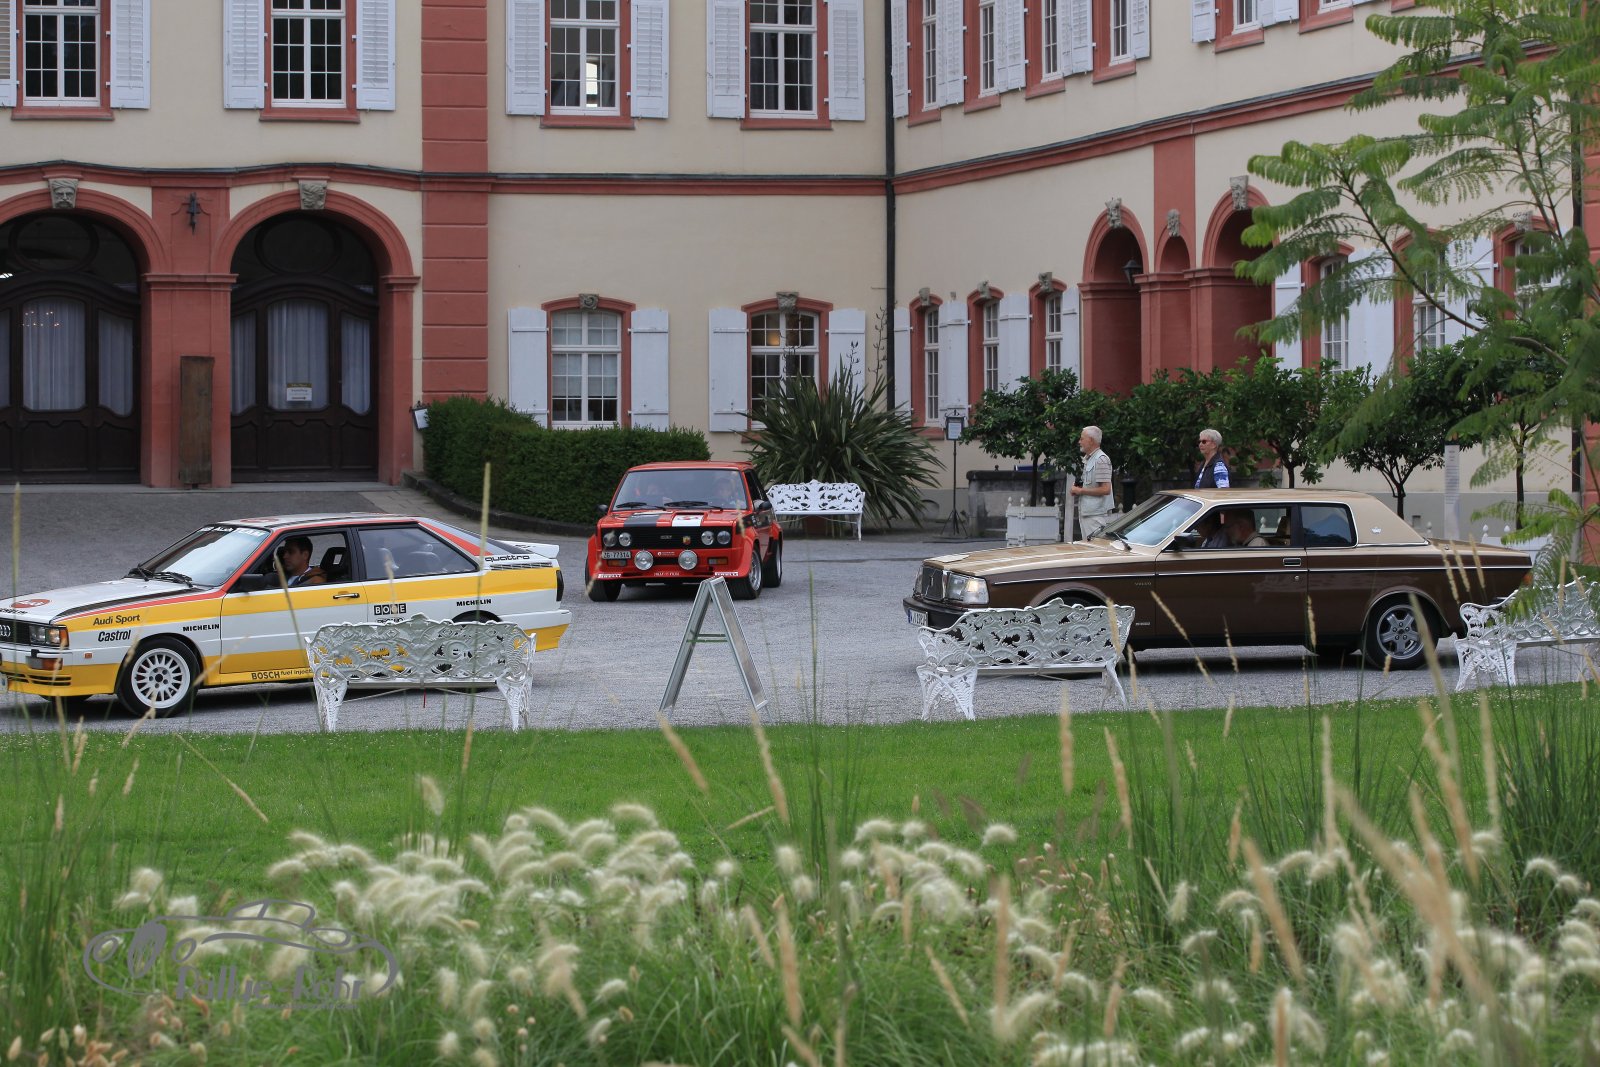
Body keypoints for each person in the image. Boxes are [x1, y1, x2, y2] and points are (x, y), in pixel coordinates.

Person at [1071, 425, 1116, 538]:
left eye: (1082, 439)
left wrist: (1081, 491)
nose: (1079, 442)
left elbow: (1105, 489)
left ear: (1090, 440)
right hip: (1089, 514)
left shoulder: (1101, 459)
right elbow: (1092, 485)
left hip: (1096, 516)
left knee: (1095, 546)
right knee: (1088, 546)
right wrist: (1078, 489)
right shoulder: (1090, 458)